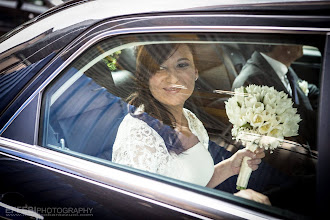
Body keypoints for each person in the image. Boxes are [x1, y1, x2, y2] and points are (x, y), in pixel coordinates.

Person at [112, 43, 270, 205]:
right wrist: (229, 207)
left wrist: (229, 167)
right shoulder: (138, 136)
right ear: (145, 78)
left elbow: (192, 186)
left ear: (195, 72)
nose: (173, 78)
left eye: (182, 65)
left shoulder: (191, 119)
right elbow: (138, 209)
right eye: (160, 67)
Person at [232, 45, 319, 149]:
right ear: (281, 44)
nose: (300, 43)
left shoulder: (281, 67)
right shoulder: (251, 82)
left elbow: (307, 90)